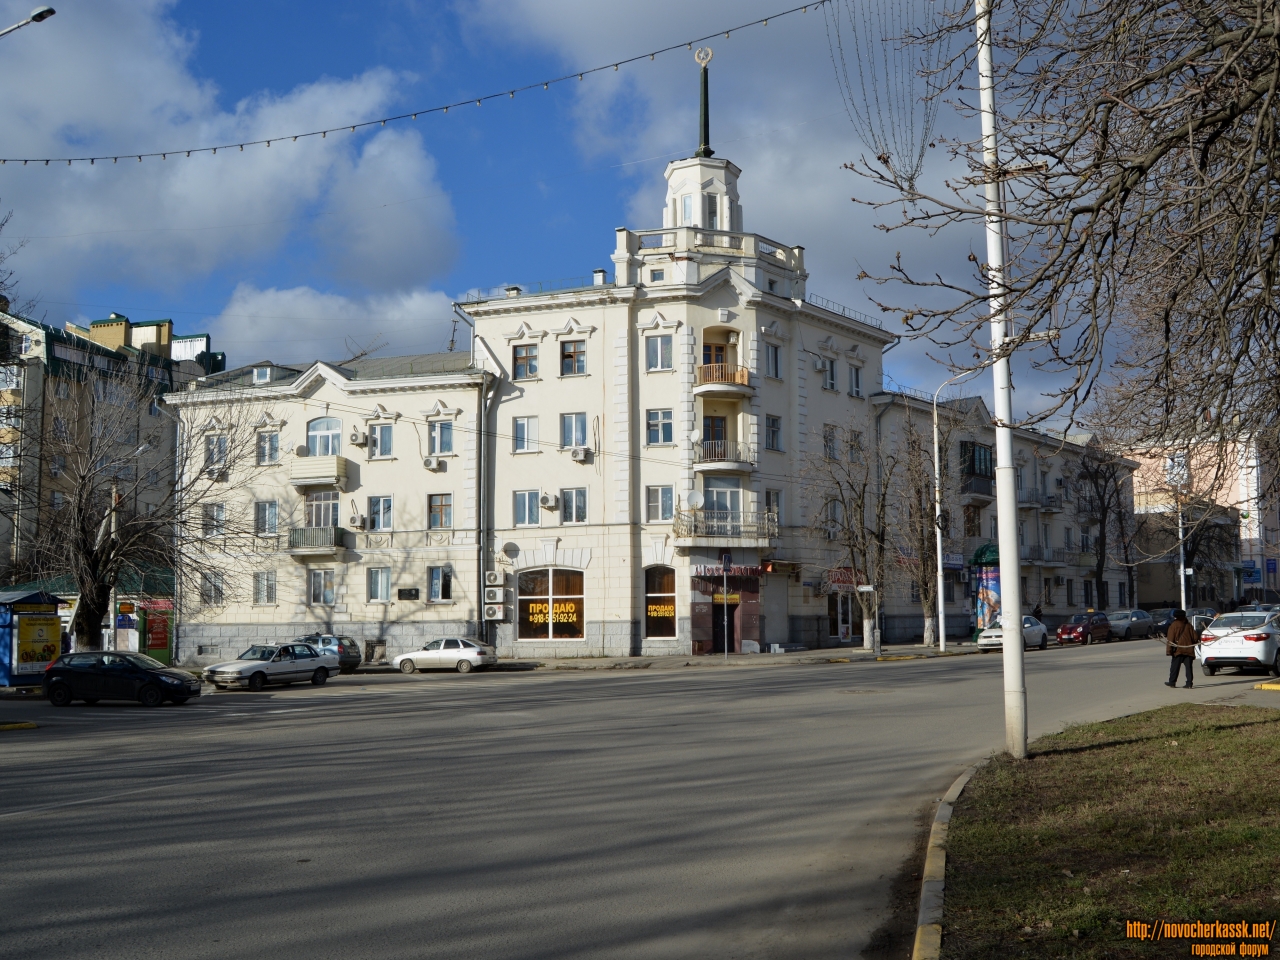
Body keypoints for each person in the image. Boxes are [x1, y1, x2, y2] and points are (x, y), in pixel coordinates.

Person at [1164, 609, 1196, 689]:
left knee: (1175, 667)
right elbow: (1195, 638)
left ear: (1175, 616)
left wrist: (1169, 651)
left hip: (1178, 650)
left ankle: (1172, 682)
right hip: (1188, 649)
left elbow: (1170, 639)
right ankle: (1189, 683)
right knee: (1189, 668)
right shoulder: (1189, 625)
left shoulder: (1174, 625)